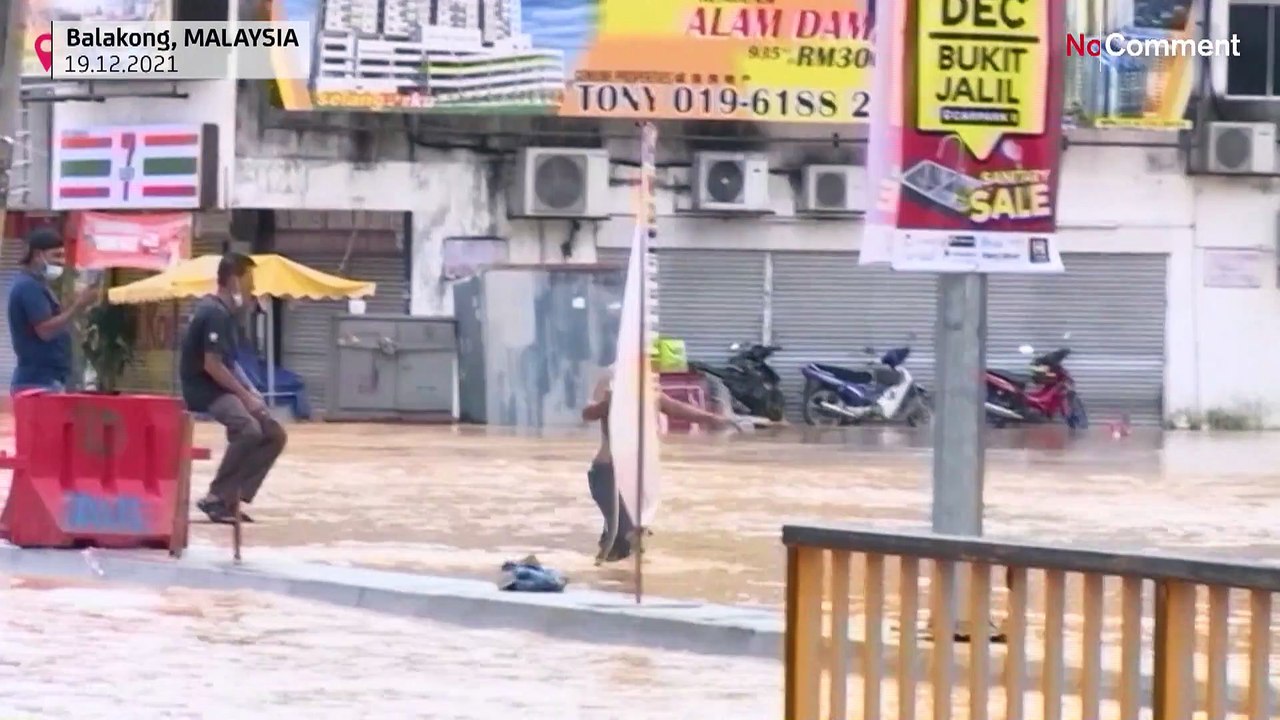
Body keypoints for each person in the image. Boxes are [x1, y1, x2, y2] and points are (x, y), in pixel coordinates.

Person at [581, 367, 743, 562]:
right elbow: (587, 413)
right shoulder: (611, 378)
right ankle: (611, 578)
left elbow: (672, 407)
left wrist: (713, 419)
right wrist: (607, 404)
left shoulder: (648, 384)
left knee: (633, 535)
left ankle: (613, 580)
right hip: (608, 472)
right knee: (624, 535)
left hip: (636, 474)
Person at [179, 252, 287, 524]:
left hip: (223, 386)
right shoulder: (213, 312)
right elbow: (213, 366)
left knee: (274, 433)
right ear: (233, 281)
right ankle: (216, 497)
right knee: (248, 429)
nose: (252, 288)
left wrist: (251, 392)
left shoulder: (227, 315)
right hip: (205, 389)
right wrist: (244, 398)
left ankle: (232, 497)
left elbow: (230, 362)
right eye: (249, 281)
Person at [7, 227, 97, 393]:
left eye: (63, 256)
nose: (61, 262)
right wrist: (78, 306)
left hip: (47, 380)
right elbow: (45, 331)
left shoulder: (38, 285)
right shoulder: (28, 286)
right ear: (37, 255)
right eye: (56, 256)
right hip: (38, 382)